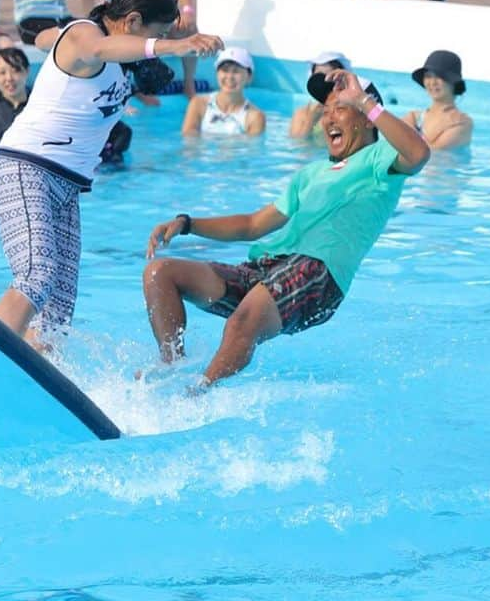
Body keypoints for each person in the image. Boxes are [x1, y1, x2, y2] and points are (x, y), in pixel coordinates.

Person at [143, 68, 430, 386]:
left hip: (318, 273)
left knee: (242, 323)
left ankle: (196, 396)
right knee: (161, 273)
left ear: (366, 117)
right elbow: (252, 225)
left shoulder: (381, 158)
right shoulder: (310, 174)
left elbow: (418, 153)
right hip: (268, 268)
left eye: (342, 108)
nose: (330, 118)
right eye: (326, 111)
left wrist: (363, 100)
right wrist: (187, 223)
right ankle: (172, 368)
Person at [0, 0, 222, 347]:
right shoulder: (86, 36)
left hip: (66, 186)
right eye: (155, 36)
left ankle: (36, 381)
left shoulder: (104, 54)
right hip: (26, 168)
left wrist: (45, 37)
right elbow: (97, 45)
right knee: (37, 276)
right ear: (131, 22)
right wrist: (177, 44)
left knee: (59, 310)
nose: (154, 51)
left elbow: (46, 39)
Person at [182, 46, 266, 137]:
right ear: (217, 73)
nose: (229, 77)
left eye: (236, 71)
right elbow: (189, 142)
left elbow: (251, 150)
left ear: (249, 77)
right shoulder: (198, 104)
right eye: (225, 70)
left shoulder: (255, 117)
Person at [404, 49, 473, 148]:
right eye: (428, 76)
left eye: (439, 76)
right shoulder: (414, 117)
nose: (432, 82)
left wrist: (408, 132)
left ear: (453, 82)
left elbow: (435, 153)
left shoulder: (462, 122)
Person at [288, 51, 351, 141]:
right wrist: (311, 121)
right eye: (318, 78)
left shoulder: (349, 114)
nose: (323, 84)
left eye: (329, 78)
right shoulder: (301, 114)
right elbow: (296, 148)